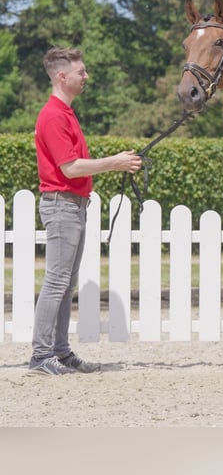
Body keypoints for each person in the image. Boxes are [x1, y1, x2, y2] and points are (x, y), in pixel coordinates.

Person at [29, 46, 143, 376]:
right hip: (62, 205)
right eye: (81, 72)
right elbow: (70, 168)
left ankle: (60, 353)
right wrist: (115, 162)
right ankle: (41, 355)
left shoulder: (64, 113)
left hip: (72, 206)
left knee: (66, 283)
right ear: (62, 76)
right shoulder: (52, 116)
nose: (86, 76)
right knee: (57, 282)